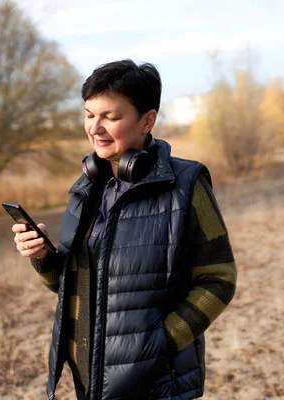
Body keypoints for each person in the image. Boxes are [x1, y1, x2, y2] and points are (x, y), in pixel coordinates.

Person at [12, 60, 237, 400]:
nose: (95, 128)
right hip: (90, 382)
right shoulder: (84, 190)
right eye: (89, 114)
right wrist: (42, 257)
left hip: (156, 385)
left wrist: (158, 344)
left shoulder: (188, 185)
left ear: (147, 120)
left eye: (110, 117)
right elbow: (71, 287)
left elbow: (220, 278)